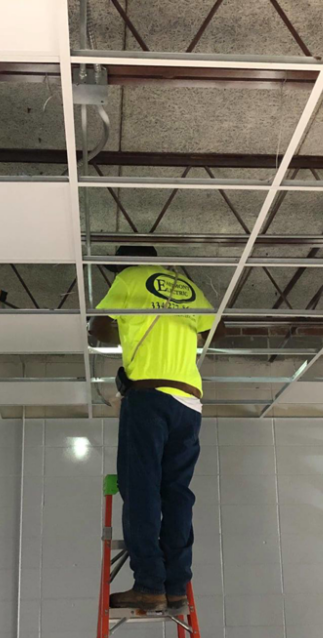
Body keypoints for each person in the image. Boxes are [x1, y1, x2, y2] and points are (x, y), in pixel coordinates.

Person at [88, 246, 221, 612]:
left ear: (123, 263)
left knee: (141, 488)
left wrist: (127, 326)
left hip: (149, 397)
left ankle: (149, 584)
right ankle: (176, 586)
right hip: (189, 404)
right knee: (176, 493)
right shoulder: (186, 286)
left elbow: (98, 329)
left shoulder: (129, 277)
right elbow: (216, 331)